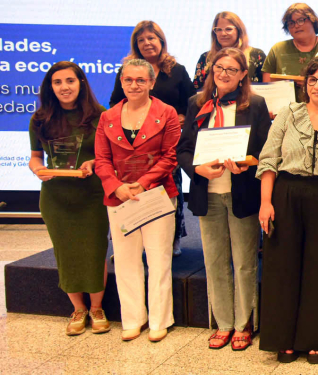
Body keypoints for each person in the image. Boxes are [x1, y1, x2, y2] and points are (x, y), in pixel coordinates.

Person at [256, 58, 318, 363]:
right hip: (285, 194)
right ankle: (283, 339)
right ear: (304, 84)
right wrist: (265, 202)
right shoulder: (288, 114)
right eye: (312, 80)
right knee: (283, 268)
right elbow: (269, 159)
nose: (317, 86)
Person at [178, 48, 272, 351]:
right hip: (208, 194)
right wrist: (197, 168)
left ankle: (244, 323)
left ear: (244, 74)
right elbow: (184, 149)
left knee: (244, 262)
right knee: (215, 261)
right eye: (220, 67)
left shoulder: (255, 104)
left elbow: (266, 150)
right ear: (211, 70)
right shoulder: (196, 103)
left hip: (241, 191)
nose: (225, 73)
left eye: (232, 69)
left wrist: (247, 162)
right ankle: (223, 323)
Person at [95, 58, 181, 343]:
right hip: (120, 199)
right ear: (121, 82)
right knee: (125, 260)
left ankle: (159, 320)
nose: (134, 85)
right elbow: (102, 160)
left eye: (141, 80)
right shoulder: (107, 117)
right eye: (129, 80)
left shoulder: (166, 113)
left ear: (151, 83)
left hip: (156, 195)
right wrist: (116, 187)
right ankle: (133, 319)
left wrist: (143, 183)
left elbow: (170, 156)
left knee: (158, 259)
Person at [28, 62, 110, 336]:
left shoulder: (101, 116)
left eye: (70, 81)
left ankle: (97, 308)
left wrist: (94, 162)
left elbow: (109, 155)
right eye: (57, 82)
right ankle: (78, 308)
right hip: (56, 197)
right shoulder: (40, 118)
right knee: (65, 252)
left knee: (96, 250)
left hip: (92, 194)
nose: (64, 87)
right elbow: (36, 157)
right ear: (50, 87)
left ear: (81, 83)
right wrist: (37, 170)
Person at [109, 21, 194, 256]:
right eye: (141, 40)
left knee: (168, 187)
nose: (147, 43)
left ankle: (170, 239)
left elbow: (192, 104)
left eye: (152, 38)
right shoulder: (126, 70)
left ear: (161, 41)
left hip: (167, 143)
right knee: (132, 189)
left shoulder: (176, 70)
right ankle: (128, 238)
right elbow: (115, 104)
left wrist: (181, 118)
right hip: (132, 144)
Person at [261, 3, 318, 102]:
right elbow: (267, 89)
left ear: (313, 20)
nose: (296, 26)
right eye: (291, 23)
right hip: (285, 112)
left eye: (301, 20)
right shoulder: (277, 49)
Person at [192, 11, 266, 90]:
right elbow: (197, 90)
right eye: (219, 30)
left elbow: (266, 89)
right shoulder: (206, 57)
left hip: (248, 101)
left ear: (239, 31)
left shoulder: (256, 55)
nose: (223, 33)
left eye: (228, 29)